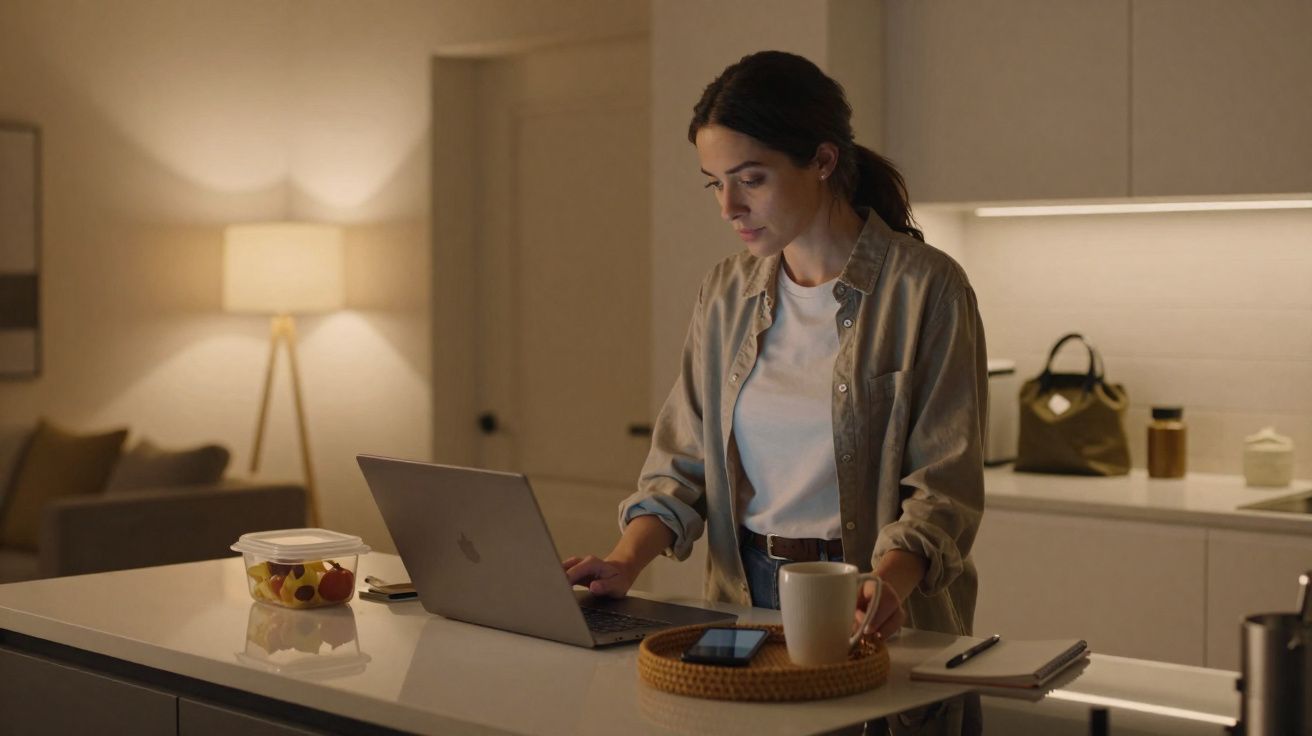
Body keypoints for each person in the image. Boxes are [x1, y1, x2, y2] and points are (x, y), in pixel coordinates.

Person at [563, 49, 986, 646]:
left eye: (751, 179)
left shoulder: (926, 289)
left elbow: (945, 488)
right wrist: (626, 560)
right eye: (716, 183)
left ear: (822, 160)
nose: (729, 207)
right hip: (742, 593)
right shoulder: (724, 292)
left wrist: (889, 583)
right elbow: (681, 464)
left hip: (876, 595)